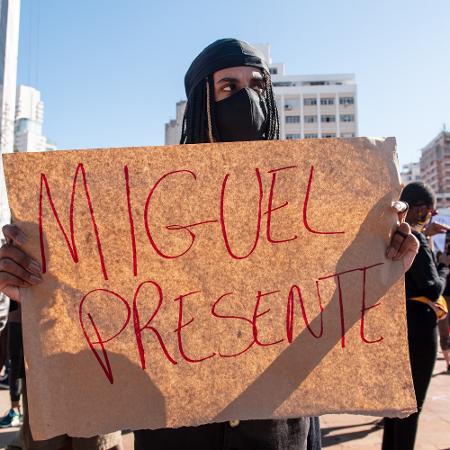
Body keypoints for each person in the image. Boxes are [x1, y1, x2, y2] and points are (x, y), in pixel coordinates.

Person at [0, 39, 419, 450]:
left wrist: (385, 259)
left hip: (275, 426)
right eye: (228, 88)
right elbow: (102, 304)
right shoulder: (152, 207)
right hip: (179, 427)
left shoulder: (309, 202)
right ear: (201, 102)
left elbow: (335, 304)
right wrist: (32, 287)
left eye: (258, 87)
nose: (247, 100)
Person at [382, 182, 449, 450]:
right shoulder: (416, 240)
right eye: (428, 212)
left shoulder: (390, 235)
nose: (428, 217)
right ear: (419, 208)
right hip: (419, 327)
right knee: (412, 406)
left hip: (397, 326)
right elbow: (432, 288)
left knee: (395, 409)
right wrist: (444, 268)